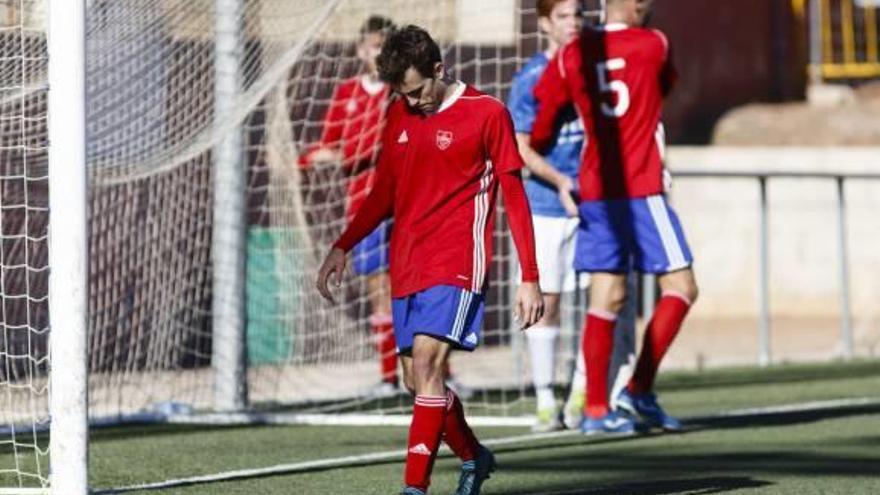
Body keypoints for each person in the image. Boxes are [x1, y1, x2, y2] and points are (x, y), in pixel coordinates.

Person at [316, 26, 544, 495]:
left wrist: (530, 277)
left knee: (427, 363)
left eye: (418, 90)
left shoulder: (487, 113)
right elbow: (383, 193)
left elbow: (514, 197)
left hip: (459, 259)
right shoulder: (398, 113)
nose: (412, 101)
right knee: (416, 379)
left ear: (440, 69)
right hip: (408, 261)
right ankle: (474, 457)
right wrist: (344, 244)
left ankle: (414, 489)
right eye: (402, 93)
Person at [531, 0, 699, 435]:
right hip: (641, 187)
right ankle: (637, 390)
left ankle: (597, 410)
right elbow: (663, 90)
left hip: (596, 190)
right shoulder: (654, 44)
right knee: (681, 287)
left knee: (605, 299)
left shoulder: (571, 55)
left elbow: (544, 115)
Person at [507, 0, 637, 431]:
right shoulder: (531, 76)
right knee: (549, 301)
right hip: (546, 205)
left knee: (603, 298)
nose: (573, 23)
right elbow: (521, 147)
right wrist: (562, 182)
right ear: (544, 23)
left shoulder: (599, 69)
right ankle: (546, 398)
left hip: (596, 206)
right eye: (563, 16)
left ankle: (583, 393)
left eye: (579, 15)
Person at [303, 16, 401, 396]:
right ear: (362, 50)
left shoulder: (400, 94)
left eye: (386, 46)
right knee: (380, 288)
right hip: (365, 206)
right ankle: (389, 375)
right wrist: (304, 160)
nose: (379, 53)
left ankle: (441, 370)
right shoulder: (346, 94)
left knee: (420, 289)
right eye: (374, 46)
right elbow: (330, 145)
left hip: (406, 203)